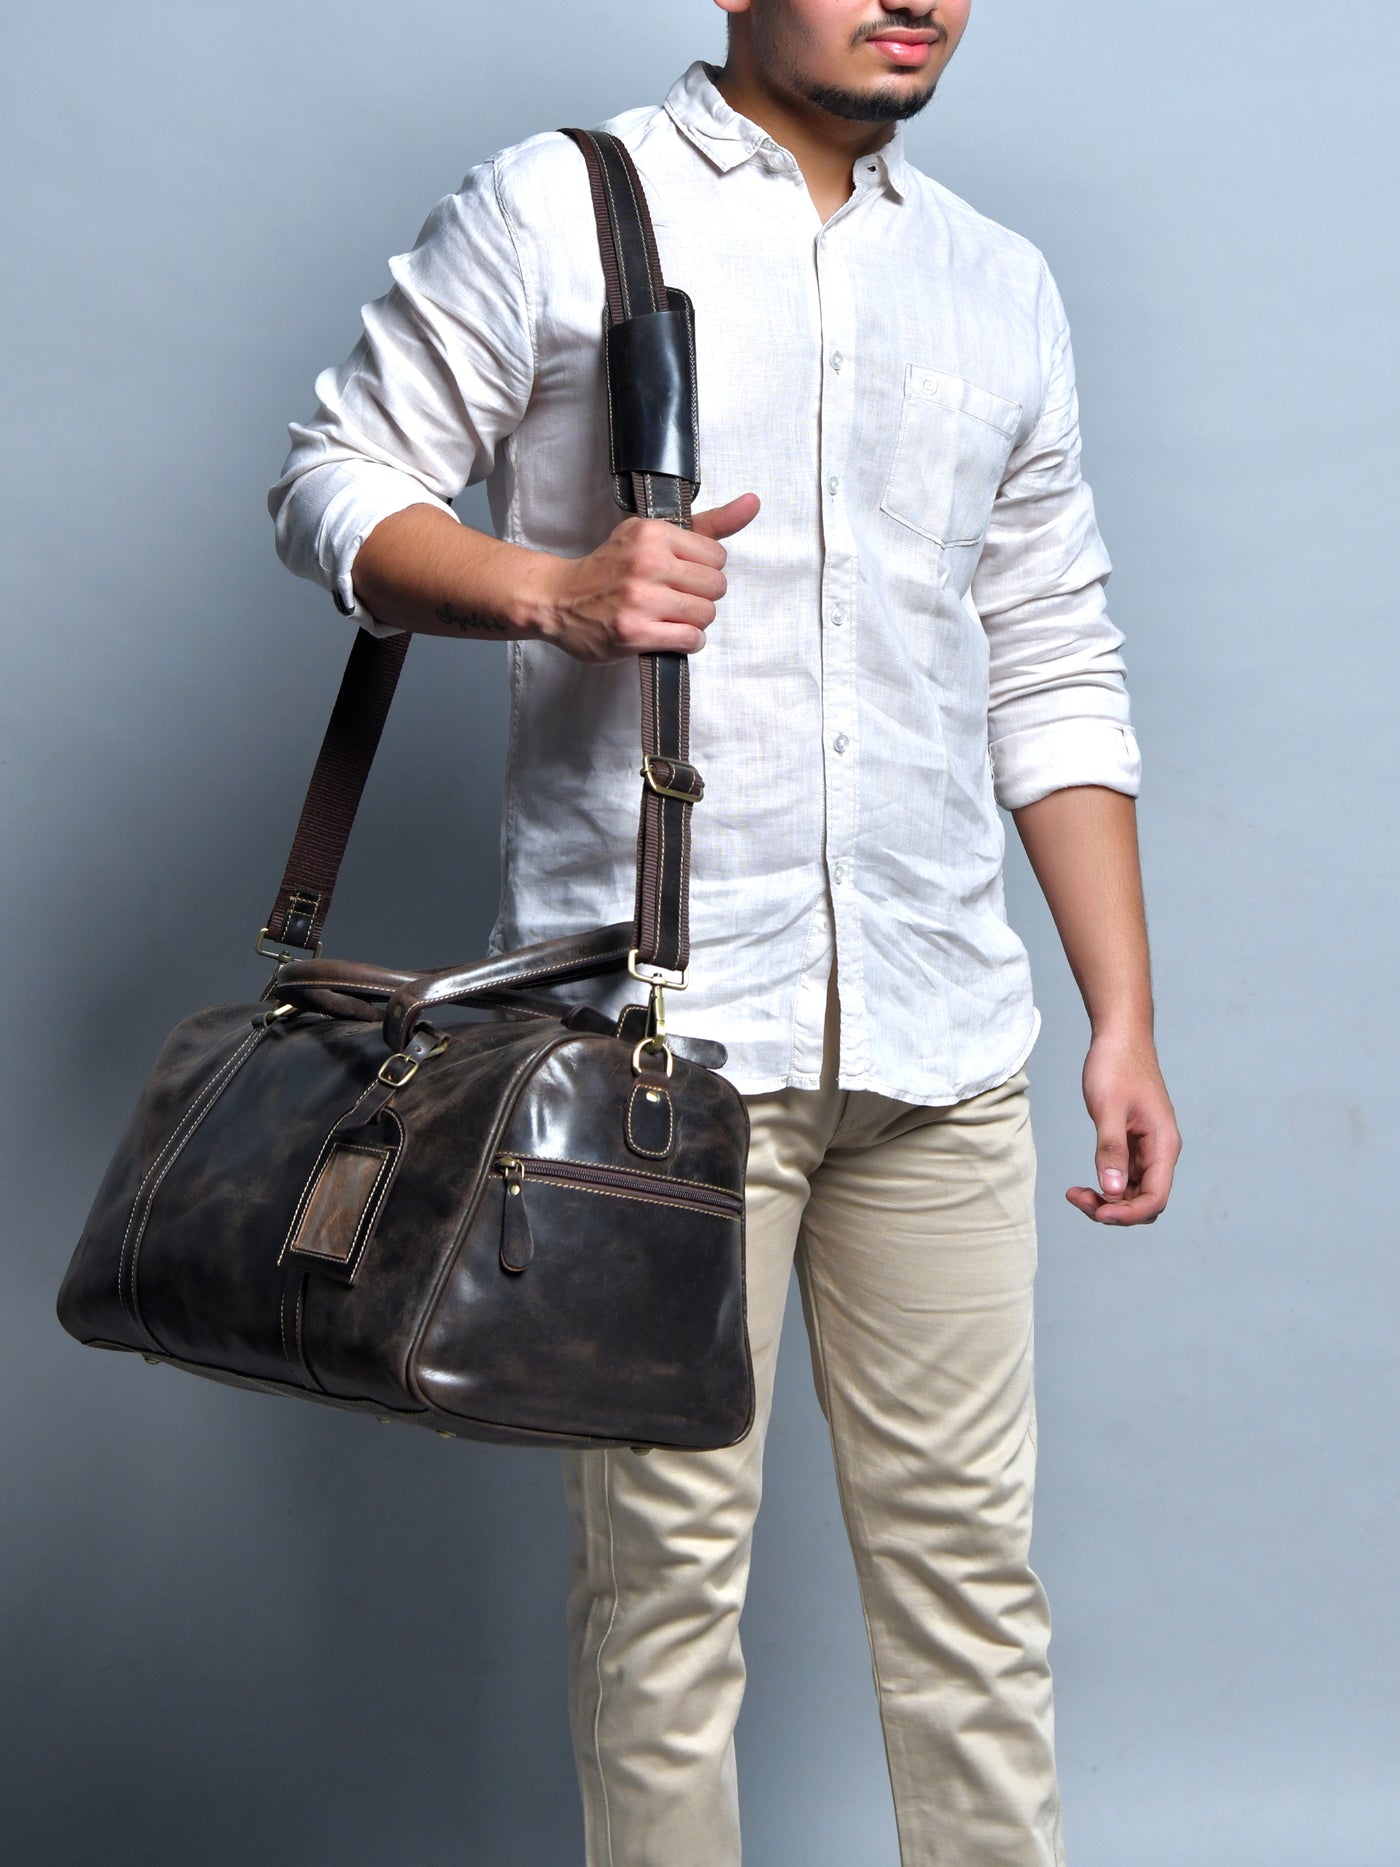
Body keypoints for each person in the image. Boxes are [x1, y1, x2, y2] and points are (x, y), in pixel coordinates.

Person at [269, 3, 1182, 1860]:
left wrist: (1122, 1018)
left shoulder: (997, 284)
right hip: (653, 1056)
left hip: (940, 1037)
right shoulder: (561, 203)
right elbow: (330, 484)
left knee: (973, 1589)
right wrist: (552, 590)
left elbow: (1053, 659)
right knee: (666, 1610)